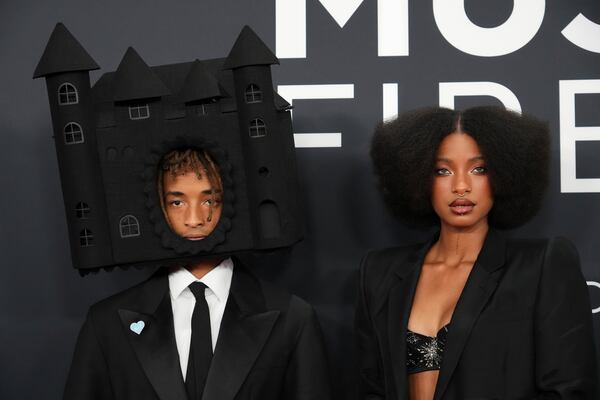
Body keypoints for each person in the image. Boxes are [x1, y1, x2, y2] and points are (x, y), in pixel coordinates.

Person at [356, 106, 597, 399]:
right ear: (417, 176)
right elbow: (370, 388)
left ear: (505, 174)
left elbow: (569, 389)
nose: (461, 186)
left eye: (478, 169)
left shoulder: (542, 267)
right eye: (442, 170)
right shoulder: (379, 273)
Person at [64, 148, 331, 400]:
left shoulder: (293, 320)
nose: (195, 219)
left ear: (233, 205)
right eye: (177, 202)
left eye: (210, 200)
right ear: (159, 208)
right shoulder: (106, 324)